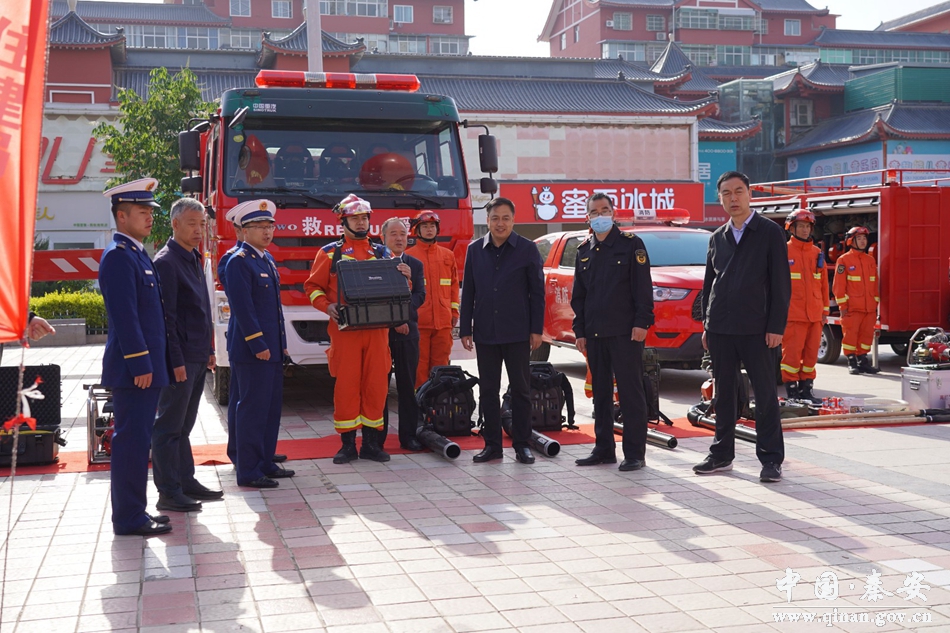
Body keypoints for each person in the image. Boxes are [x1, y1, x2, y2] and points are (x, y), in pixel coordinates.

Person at [695, 171, 791, 483]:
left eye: (738, 191)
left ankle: (771, 459)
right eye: (726, 193)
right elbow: (710, 284)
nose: (733, 198)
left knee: (764, 395)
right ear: (720, 198)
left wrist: (776, 326)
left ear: (749, 194)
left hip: (758, 329)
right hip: (721, 328)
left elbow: (781, 284)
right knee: (723, 394)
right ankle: (721, 455)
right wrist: (707, 324)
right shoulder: (717, 237)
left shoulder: (769, 232)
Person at [98, 177, 173, 536]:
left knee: (139, 441)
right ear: (122, 216)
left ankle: (135, 512)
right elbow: (125, 316)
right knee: (131, 443)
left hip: (146, 367)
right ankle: (128, 518)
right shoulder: (118, 256)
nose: (149, 217)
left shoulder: (137, 253)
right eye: (142, 212)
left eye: (150, 212)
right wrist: (141, 362)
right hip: (134, 369)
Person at [304, 194, 392, 464]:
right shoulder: (329, 253)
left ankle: (371, 444)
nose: (361, 222)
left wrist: (407, 279)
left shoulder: (382, 252)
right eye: (355, 218)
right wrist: (326, 306)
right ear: (343, 222)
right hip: (345, 332)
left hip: (377, 331)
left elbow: (398, 287)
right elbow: (312, 287)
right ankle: (347, 445)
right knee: (347, 387)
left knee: (376, 386)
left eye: (364, 218)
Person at [571, 193, 655, 472]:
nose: (600, 216)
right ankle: (604, 449)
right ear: (588, 217)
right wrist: (580, 330)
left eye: (604, 210)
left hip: (625, 333)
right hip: (595, 333)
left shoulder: (631, 245)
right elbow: (579, 296)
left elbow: (643, 287)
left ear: (613, 212)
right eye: (594, 212)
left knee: (630, 393)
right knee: (601, 393)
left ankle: (635, 453)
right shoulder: (584, 250)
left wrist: (642, 322)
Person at [459, 197, 545, 465]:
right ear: (487, 220)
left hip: (518, 331)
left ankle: (522, 444)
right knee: (488, 390)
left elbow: (537, 293)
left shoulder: (527, 249)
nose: (500, 223)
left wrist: (536, 329)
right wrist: (465, 328)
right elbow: (468, 292)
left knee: (520, 390)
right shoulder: (475, 250)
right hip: (486, 331)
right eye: (495, 218)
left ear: (513, 220)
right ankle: (492, 445)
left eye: (506, 218)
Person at [151, 198, 220, 512]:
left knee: (184, 425)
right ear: (175, 224)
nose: (198, 230)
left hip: (197, 353)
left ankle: (185, 481)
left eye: (202, 224)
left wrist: (209, 349)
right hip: (180, 358)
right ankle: (168, 491)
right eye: (192, 224)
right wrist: (175, 361)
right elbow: (167, 319)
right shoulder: (167, 262)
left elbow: (201, 309)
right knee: (168, 426)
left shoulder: (192, 256)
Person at [224, 199, 294, 488]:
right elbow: (244, 309)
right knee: (252, 409)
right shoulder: (239, 261)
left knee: (269, 408)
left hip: (271, 348)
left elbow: (273, 310)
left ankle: (264, 461)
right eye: (260, 227)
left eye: (270, 226)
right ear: (243, 231)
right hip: (252, 350)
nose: (267, 232)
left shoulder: (266, 259)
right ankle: (249, 470)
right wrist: (258, 344)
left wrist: (282, 344)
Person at [381, 217, 426, 451]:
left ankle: (408, 436)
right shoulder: (375, 263)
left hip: (409, 333)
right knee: (380, 387)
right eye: (394, 234)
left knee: (407, 387)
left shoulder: (415, 265)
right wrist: (394, 321)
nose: (399, 238)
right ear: (383, 238)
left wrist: (403, 315)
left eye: (403, 234)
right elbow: (375, 298)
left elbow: (420, 295)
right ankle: (377, 439)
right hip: (383, 334)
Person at [406, 210, 459, 387]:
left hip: (443, 322)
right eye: (425, 226)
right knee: (419, 366)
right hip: (419, 322)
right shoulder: (409, 256)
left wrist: (454, 311)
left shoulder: (448, 255)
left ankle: (438, 399)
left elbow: (453, 286)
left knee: (441, 365)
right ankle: (420, 400)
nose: (429, 230)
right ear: (417, 230)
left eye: (432, 226)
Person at [781, 210, 829, 403]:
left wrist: (825, 310)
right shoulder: (783, 251)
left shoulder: (817, 253)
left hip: (815, 315)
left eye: (807, 226)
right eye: (800, 226)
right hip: (793, 314)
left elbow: (823, 284)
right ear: (791, 228)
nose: (804, 230)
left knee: (810, 356)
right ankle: (792, 392)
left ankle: (807, 391)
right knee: (791, 356)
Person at [833, 226, 879, 375]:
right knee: (851, 335)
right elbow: (839, 285)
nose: (863, 241)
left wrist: (875, 303)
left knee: (866, 335)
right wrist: (842, 305)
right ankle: (852, 362)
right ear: (851, 241)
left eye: (864, 238)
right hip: (852, 308)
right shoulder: (843, 260)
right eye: (859, 238)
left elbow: (875, 284)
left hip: (869, 308)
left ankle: (862, 361)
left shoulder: (870, 260)